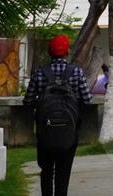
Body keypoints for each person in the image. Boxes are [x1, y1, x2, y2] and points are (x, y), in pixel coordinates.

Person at [25, 35, 88, 196]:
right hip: (69, 131)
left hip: (45, 131)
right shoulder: (76, 72)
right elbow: (86, 99)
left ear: (49, 52)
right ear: (67, 51)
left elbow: (28, 100)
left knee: (46, 170)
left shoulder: (40, 73)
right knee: (63, 171)